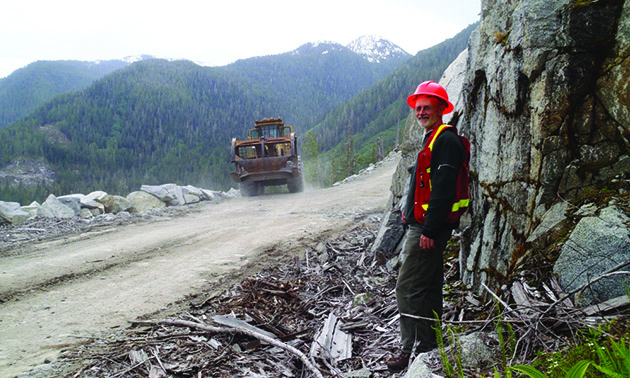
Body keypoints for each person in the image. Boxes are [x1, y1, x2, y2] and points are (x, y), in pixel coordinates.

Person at [387, 81, 469, 372]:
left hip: (427, 229)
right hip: (423, 225)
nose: (421, 112)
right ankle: (431, 343)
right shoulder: (432, 137)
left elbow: (444, 190)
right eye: (418, 108)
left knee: (407, 288)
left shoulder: (445, 141)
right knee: (431, 286)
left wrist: (430, 230)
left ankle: (409, 349)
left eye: (427, 107)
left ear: (441, 110)